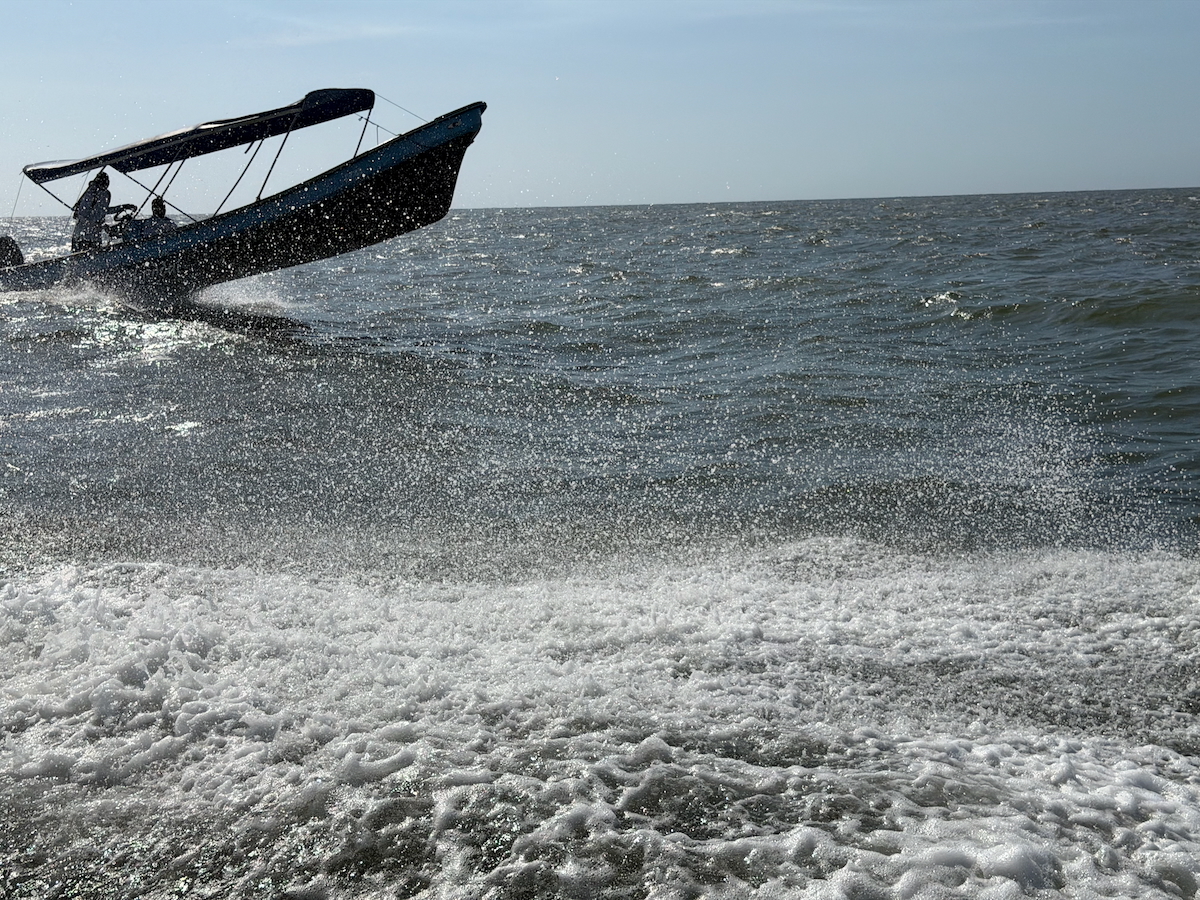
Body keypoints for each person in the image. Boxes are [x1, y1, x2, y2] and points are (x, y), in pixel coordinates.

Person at [72, 171, 117, 253]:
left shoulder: (97, 193)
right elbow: (90, 214)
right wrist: (101, 225)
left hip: (86, 236)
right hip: (87, 238)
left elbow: (101, 211)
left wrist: (121, 208)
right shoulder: (97, 193)